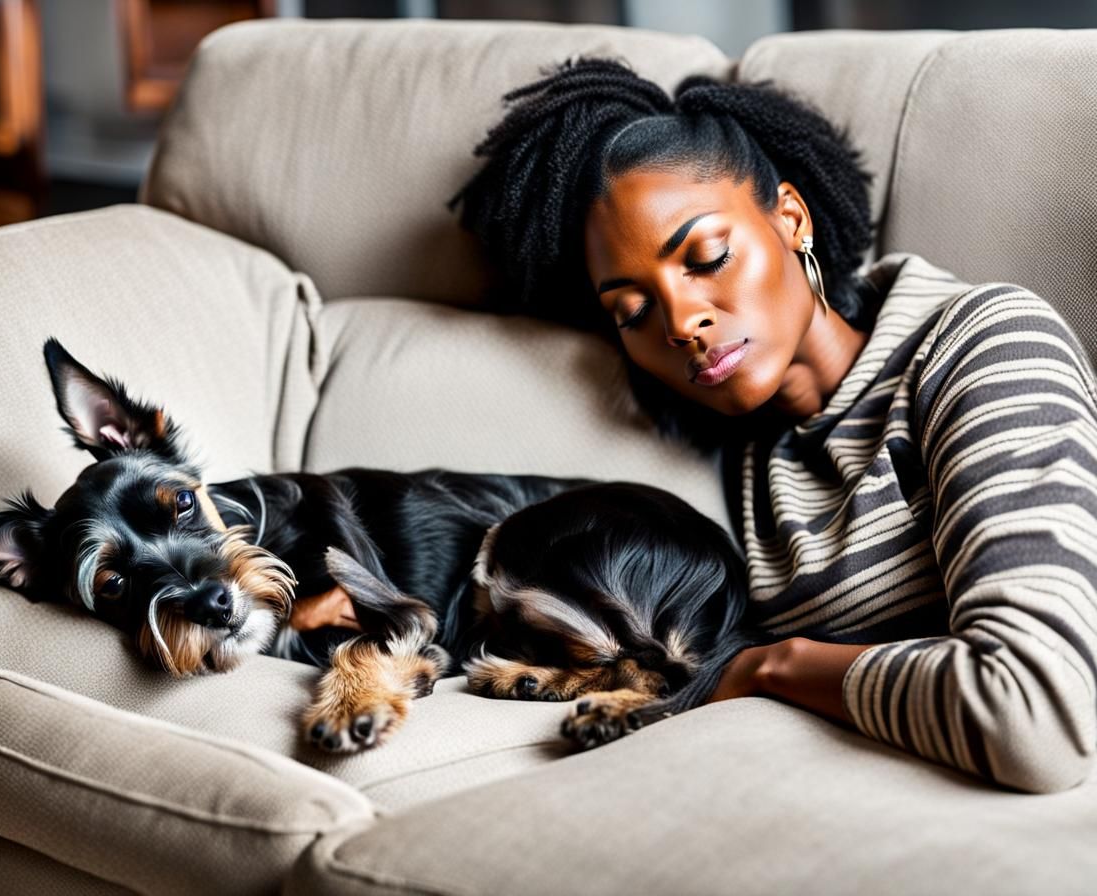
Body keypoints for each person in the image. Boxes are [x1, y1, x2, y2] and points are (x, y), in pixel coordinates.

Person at [452, 58, 1097, 793]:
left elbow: (1036, 715)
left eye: (708, 257)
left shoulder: (987, 342)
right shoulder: (748, 455)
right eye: (632, 311)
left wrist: (769, 665)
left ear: (790, 218)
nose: (682, 321)